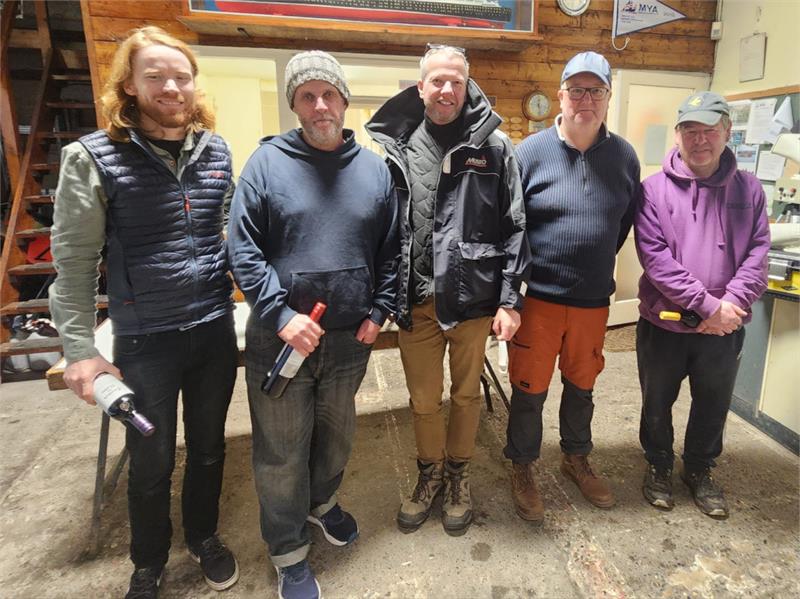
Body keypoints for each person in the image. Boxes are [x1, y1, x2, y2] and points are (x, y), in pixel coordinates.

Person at [48, 26, 239, 598]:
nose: (171, 87)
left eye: (181, 76)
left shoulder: (216, 149)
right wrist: (80, 350)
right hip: (144, 342)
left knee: (209, 448)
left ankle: (203, 537)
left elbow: (229, 234)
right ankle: (148, 562)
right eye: (154, 76)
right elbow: (74, 262)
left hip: (211, 332)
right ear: (128, 85)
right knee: (151, 456)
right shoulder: (93, 158)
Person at [227, 50, 399, 599]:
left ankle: (322, 503)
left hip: (350, 338)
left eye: (329, 93)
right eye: (308, 95)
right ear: (295, 106)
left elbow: (392, 249)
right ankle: (289, 552)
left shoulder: (374, 169)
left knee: (337, 435)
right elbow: (243, 249)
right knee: (280, 450)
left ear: (345, 101)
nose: (320, 104)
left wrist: (379, 311)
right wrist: (280, 315)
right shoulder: (267, 164)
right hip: (282, 339)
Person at [366, 44, 530, 536]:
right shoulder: (395, 147)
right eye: (437, 81)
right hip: (416, 302)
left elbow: (516, 224)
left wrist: (509, 299)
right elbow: (381, 227)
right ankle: (429, 473)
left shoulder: (495, 147)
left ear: (467, 85)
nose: (446, 90)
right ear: (420, 87)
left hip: (473, 299)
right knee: (422, 400)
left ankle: (458, 476)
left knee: (464, 396)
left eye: (455, 81)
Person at [504, 51, 640, 521]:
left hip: (591, 302)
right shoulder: (529, 153)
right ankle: (523, 466)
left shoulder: (623, 156)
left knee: (582, 386)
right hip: (539, 299)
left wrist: (593, 254)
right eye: (577, 89)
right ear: (560, 94)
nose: (586, 99)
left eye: (596, 91)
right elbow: (511, 227)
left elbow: (623, 222)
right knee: (529, 390)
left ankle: (575, 457)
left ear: (607, 97)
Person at [635, 92, 769, 519]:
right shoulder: (652, 190)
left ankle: (699, 470)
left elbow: (758, 254)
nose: (700, 140)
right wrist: (707, 305)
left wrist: (729, 306)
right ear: (678, 136)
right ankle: (657, 465)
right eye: (690, 131)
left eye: (709, 130)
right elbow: (656, 259)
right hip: (666, 323)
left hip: (724, 328)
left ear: (727, 131)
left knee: (712, 403)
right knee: (657, 401)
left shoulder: (749, 189)